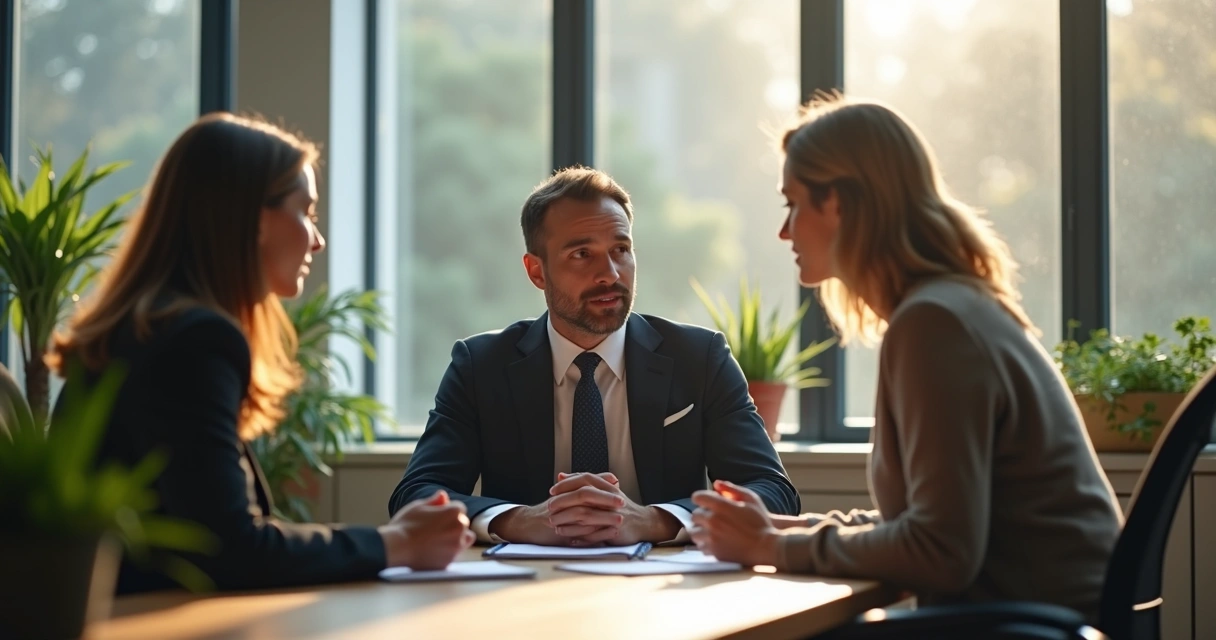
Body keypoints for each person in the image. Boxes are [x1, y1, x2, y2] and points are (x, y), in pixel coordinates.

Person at [688, 95, 1122, 619]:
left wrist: (770, 549)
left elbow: (940, 551)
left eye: (793, 203)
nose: (785, 231)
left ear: (841, 204)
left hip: (1028, 625)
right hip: (1040, 617)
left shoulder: (934, 325)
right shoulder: (952, 307)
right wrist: (784, 529)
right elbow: (926, 522)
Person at [49, 113, 473, 594]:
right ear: (251, 218)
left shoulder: (150, 326)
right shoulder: (193, 342)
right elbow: (230, 548)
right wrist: (394, 544)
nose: (318, 238)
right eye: (306, 212)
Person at [389, 167, 799, 547]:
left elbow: (773, 492)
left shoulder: (699, 357)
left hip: (664, 599)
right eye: (582, 254)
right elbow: (416, 496)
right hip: (522, 595)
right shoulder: (480, 366)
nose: (610, 274)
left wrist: (655, 521)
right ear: (536, 271)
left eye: (620, 249)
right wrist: (519, 521)